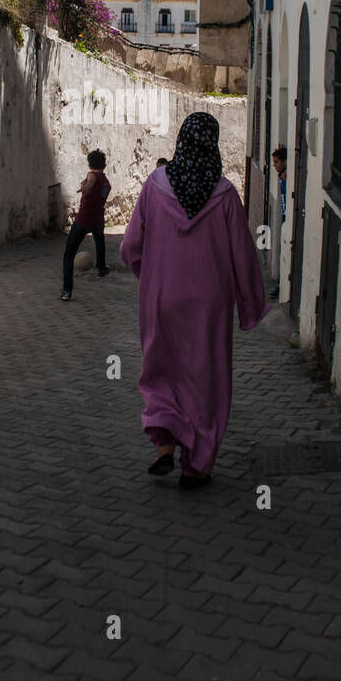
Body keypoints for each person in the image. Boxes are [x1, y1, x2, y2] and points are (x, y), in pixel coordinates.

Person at [120, 112, 268, 488]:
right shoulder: (226, 196)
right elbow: (244, 258)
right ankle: (196, 466)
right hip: (209, 309)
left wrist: (151, 275)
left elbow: (129, 246)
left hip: (162, 299)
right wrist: (251, 306)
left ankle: (165, 445)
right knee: (205, 380)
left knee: (162, 369)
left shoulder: (154, 186)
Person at [61, 150, 111, 301]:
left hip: (83, 220)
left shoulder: (91, 175)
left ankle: (67, 291)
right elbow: (102, 194)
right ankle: (101, 268)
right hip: (97, 220)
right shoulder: (106, 182)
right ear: (104, 164)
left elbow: (90, 184)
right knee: (99, 241)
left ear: (89, 164)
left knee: (68, 254)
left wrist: (84, 188)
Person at [272, 145, 287, 222]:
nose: (274, 165)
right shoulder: (281, 177)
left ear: (284, 162)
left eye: (276, 162)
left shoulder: (287, 178)